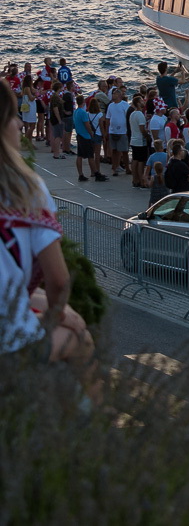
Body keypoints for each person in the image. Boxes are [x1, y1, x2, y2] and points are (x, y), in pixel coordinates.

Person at [0, 83, 96, 392]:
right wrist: (58, 316)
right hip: (9, 349)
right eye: (12, 116)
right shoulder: (25, 188)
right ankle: (90, 415)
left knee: (39, 299)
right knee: (80, 336)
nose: (19, 123)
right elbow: (58, 280)